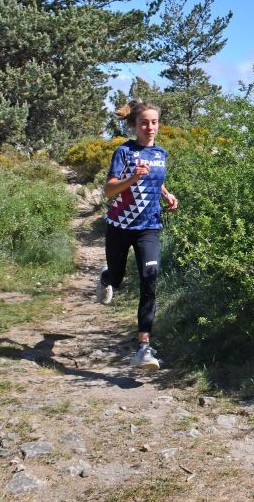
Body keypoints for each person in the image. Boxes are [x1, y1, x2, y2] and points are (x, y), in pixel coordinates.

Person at [98, 99, 179, 370]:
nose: (150, 127)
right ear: (134, 125)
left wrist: (167, 194)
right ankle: (105, 277)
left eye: (154, 122)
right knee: (118, 278)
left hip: (149, 227)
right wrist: (132, 178)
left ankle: (144, 348)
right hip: (120, 226)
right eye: (144, 122)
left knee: (150, 279)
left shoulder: (161, 154)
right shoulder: (124, 152)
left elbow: (156, 178)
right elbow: (109, 190)